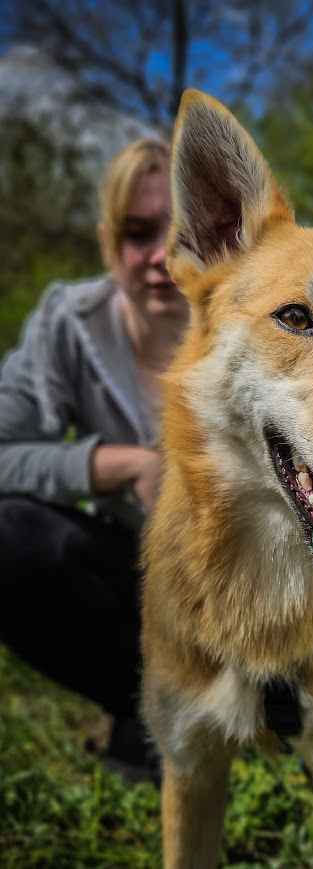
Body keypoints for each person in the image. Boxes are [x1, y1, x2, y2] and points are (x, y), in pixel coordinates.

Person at [0, 138, 189, 780]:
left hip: (254, 574)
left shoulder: (259, 316)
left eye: (182, 231)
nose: (161, 256)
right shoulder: (68, 323)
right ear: (109, 243)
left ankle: (285, 703)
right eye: (139, 234)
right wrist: (121, 465)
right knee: (13, 535)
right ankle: (145, 705)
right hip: (135, 572)